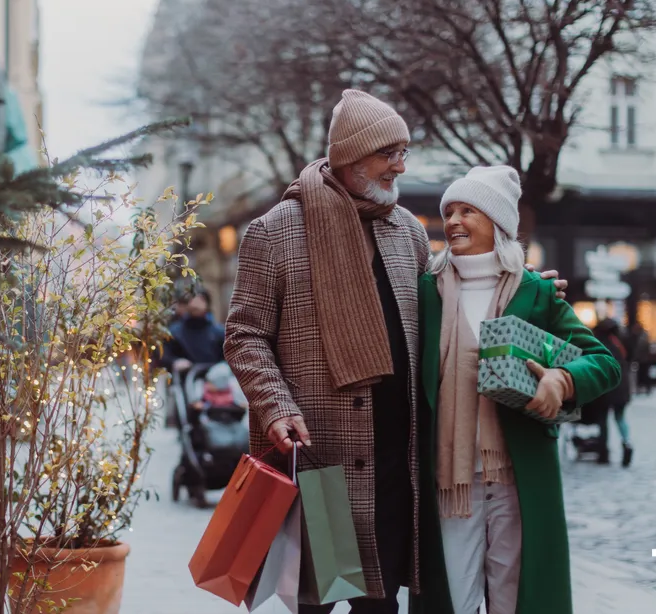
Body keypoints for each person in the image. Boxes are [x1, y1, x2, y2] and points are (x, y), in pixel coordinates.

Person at [225, 90, 567, 613]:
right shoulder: (275, 232)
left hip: (395, 464)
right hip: (322, 463)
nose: (400, 166)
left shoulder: (405, 230)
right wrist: (276, 406)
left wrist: (522, 282)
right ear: (352, 154)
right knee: (321, 600)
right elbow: (244, 334)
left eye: (403, 152)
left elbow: (452, 293)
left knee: (379, 606)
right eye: (389, 153)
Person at [412, 166, 620, 614]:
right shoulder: (427, 292)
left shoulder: (535, 292)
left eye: (468, 210)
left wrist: (560, 379)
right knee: (453, 598)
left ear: (498, 224)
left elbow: (603, 362)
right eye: (449, 211)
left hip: (517, 475)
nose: (453, 221)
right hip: (450, 478)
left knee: (516, 599)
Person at [591, 319, 633, 467]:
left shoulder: (599, 343)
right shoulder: (619, 343)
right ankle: (627, 444)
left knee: (603, 421)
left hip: (606, 389)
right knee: (620, 418)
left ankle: (603, 453)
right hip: (621, 389)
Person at [158, 289, 225, 373]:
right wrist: (175, 362)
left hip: (215, 380)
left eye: (200, 299)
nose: (195, 303)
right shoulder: (174, 331)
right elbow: (164, 355)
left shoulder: (219, 332)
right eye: (192, 299)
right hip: (183, 380)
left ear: (207, 304)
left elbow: (227, 357)